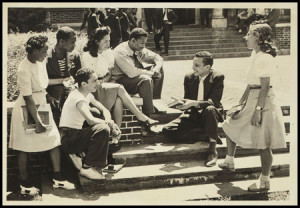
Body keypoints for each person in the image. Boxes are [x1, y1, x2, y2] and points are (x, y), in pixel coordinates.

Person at [219, 23, 286, 192]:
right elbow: (251, 84)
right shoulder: (254, 55)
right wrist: (240, 103)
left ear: (257, 37)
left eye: (249, 34)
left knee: (264, 143)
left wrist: (258, 110)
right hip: (252, 98)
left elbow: (265, 87)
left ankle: (265, 181)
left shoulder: (264, 58)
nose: (245, 37)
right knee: (230, 124)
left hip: (263, 102)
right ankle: (229, 161)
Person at [9, 35, 75, 196]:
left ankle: (58, 179)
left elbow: (42, 88)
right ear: (35, 50)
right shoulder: (23, 69)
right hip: (26, 109)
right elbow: (28, 97)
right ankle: (24, 184)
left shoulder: (40, 63)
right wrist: (37, 121)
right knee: (23, 147)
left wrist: (49, 98)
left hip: (42, 106)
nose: (47, 53)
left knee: (53, 141)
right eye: (44, 50)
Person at [81, 26, 159, 132]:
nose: (108, 44)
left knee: (118, 100)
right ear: (96, 41)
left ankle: (117, 133)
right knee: (120, 88)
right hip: (92, 88)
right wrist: (99, 82)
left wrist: (103, 81)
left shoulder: (108, 54)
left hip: (104, 84)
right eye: (105, 41)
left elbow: (109, 74)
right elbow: (88, 79)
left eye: (109, 41)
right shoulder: (86, 56)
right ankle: (141, 117)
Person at [162, 51, 225, 167]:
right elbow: (188, 98)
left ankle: (212, 150)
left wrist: (194, 103)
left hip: (210, 114)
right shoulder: (189, 77)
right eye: (193, 64)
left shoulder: (217, 77)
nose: (193, 68)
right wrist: (182, 103)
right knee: (167, 130)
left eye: (197, 65)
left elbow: (213, 102)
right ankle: (205, 135)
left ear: (207, 67)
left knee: (210, 109)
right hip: (193, 114)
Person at [59, 67, 115, 180]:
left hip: (75, 134)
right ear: (84, 84)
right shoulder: (77, 98)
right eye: (94, 81)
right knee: (103, 129)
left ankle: (81, 156)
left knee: (98, 114)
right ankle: (86, 168)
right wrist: (109, 125)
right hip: (69, 138)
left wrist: (110, 122)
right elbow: (90, 120)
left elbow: (105, 110)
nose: (98, 83)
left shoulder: (87, 95)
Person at [112, 28, 164, 117]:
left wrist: (156, 69)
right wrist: (151, 73)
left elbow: (158, 58)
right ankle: (148, 114)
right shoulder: (120, 51)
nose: (144, 46)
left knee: (159, 70)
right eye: (142, 43)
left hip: (132, 78)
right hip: (121, 80)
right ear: (133, 40)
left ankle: (154, 102)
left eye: (145, 43)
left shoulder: (137, 47)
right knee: (145, 79)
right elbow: (131, 73)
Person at [46, 26, 81, 127]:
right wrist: (62, 81)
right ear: (61, 41)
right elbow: (40, 81)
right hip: (53, 97)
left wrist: (75, 85)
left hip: (71, 94)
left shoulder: (75, 55)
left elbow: (81, 76)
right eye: (72, 42)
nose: (74, 45)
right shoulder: (46, 56)